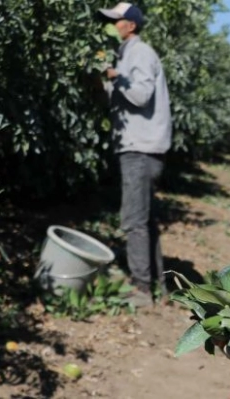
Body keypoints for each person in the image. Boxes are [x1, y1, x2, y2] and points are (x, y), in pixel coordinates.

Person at [98, 2, 172, 307]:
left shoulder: (139, 53)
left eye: (117, 21)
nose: (113, 26)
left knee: (133, 219)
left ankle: (142, 290)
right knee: (145, 219)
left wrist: (115, 76)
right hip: (140, 146)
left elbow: (140, 95)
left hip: (140, 148)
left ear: (131, 24)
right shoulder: (127, 54)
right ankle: (160, 287)